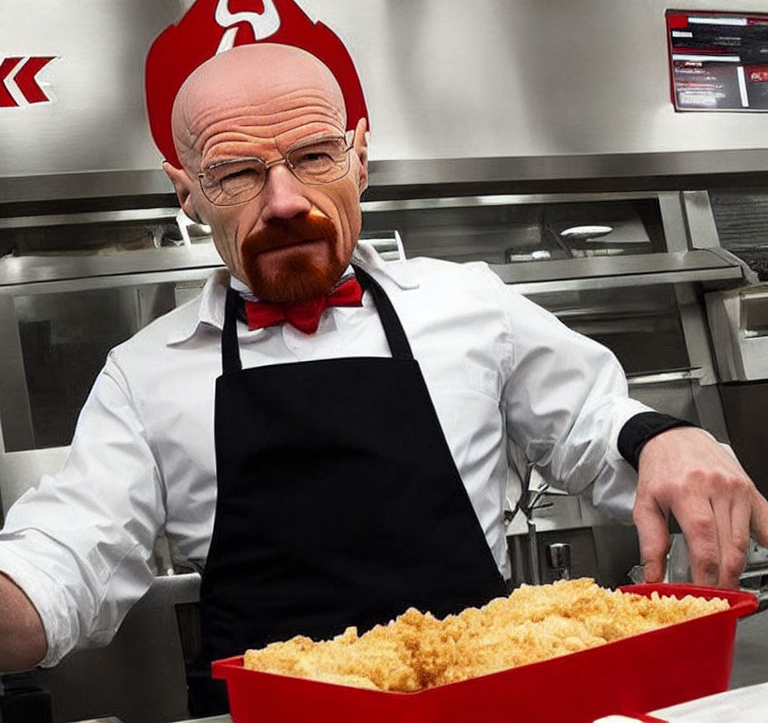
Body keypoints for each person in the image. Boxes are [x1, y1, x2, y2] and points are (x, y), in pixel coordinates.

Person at [0, 43, 766, 715]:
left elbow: (599, 425)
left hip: (492, 707)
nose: (285, 201)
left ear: (360, 157)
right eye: (235, 173)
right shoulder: (144, 374)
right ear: (186, 192)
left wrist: (670, 434)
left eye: (312, 156)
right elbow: (69, 554)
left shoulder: (469, 304)